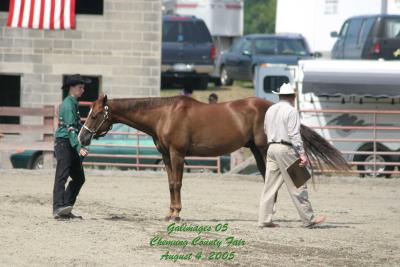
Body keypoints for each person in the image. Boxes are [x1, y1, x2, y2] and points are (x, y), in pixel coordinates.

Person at [258, 83, 326, 228]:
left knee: (269, 186)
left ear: (279, 95)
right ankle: (308, 219)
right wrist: (302, 154)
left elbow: (265, 129)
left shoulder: (270, 109)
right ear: (293, 96)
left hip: (271, 148)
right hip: (286, 149)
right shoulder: (291, 111)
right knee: (298, 183)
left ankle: (264, 219)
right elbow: (294, 134)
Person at [53, 74, 91, 220]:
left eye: (83, 88)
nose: (82, 90)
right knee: (61, 176)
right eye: (80, 87)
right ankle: (58, 208)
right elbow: (70, 129)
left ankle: (66, 208)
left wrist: (92, 133)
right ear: (72, 88)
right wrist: (78, 147)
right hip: (64, 143)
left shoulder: (73, 103)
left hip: (70, 143)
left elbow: (77, 126)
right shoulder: (68, 105)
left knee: (79, 178)